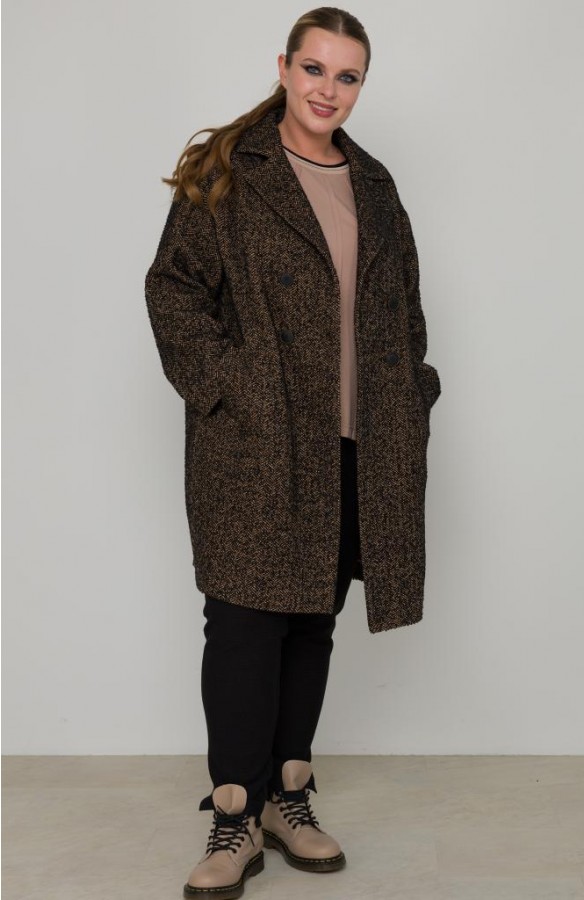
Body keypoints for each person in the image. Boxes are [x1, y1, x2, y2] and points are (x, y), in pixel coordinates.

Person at [145, 6, 442, 898]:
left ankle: (288, 795)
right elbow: (173, 290)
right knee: (244, 619)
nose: (328, 90)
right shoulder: (233, 170)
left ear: (361, 85)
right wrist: (227, 387)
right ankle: (234, 813)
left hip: (359, 438)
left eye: (347, 76)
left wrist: (414, 390)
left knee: (313, 615)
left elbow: (405, 308)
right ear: (283, 68)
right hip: (258, 440)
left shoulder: (375, 183)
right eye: (314, 69)